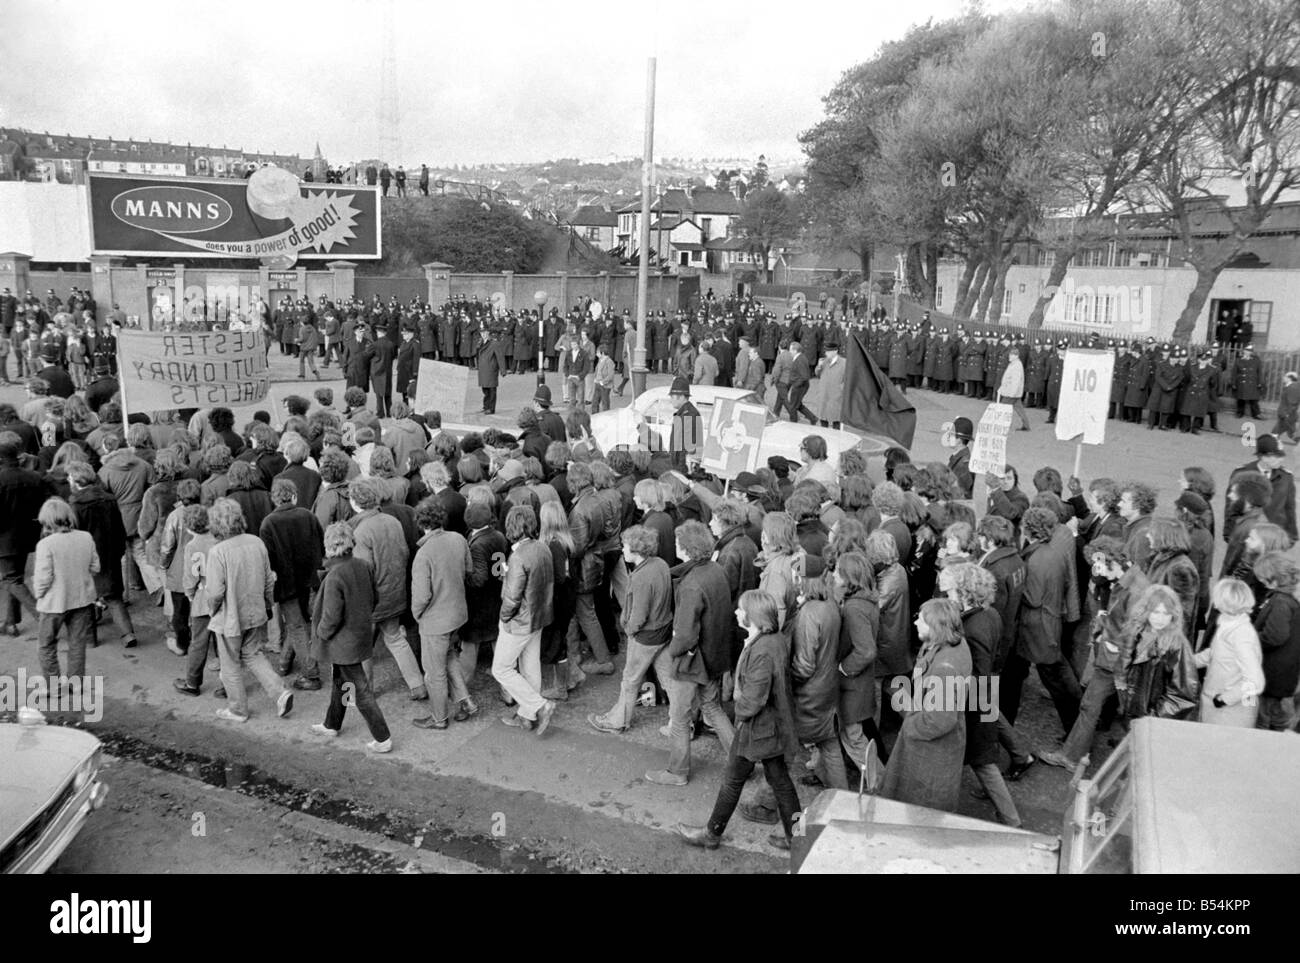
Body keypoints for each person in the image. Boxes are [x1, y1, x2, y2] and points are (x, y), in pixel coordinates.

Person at [677, 590, 801, 851]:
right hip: (773, 728)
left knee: (733, 781)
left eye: (741, 609)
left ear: (753, 616)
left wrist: (737, 713)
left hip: (758, 729)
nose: (736, 612)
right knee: (781, 782)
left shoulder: (762, 651)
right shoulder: (772, 640)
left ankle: (712, 834)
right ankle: (796, 837)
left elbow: (753, 701)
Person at [646, 520, 734, 786]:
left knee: (680, 717)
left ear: (685, 548)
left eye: (677, 542)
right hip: (716, 653)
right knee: (713, 707)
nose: (674, 545)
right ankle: (740, 764)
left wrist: (672, 651)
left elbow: (685, 636)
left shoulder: (691, 584)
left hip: (693, 661)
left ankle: (677, 772)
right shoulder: (716, 570)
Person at [204, 497, 293, 723]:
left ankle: (238, 710)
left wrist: (212, 610)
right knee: (253, 655)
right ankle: (280, 692)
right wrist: (268, 603)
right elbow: (268, 579)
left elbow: (215, 592)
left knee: (230, 664)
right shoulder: (256, 542)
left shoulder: (217, 552)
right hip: (256, 611)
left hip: (230, 617)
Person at [880, 599, 972, 814]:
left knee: (920, 811)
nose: (915, 623)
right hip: (936, 749)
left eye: (921, 620)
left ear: (935, 627)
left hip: (930, 757)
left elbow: (938, 721)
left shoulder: (945, 668)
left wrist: (909, 723)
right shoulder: (952, 644)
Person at [309, 522, 392, 753]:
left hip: (342, 642)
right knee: (341, 681)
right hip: (361, 633)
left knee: (360, 691)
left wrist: (321, 633)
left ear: (329, 546)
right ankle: (331, 724)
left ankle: (383, 738)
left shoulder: (334, 576)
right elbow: (375, 598)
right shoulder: (363, 565)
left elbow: (331, 617)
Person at [1003, 507, 1081, 739]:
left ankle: (1076, 732)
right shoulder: (1052, 552)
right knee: (1054, 676)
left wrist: (1015, 588)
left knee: (1056, 681)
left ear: (1028, 529)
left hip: (1038, 630)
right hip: (1047, 624)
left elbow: (1034, 598)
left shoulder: (1037, 558)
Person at [587, 525, 673, 733]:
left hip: (645, 637)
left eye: (625, 546)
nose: (622, 550)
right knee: (669, 679)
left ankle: (617, 722)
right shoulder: (660, 564)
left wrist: (628, 629)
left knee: (630, 680)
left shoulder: (641, 576)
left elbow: (639, 616)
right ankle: (683, 720)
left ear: (636, 549)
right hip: (663, 631)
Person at [349, 476, 424, 700]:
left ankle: (365, 692)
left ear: (355, 502)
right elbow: (404, 553)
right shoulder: (392, 521)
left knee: (362, 646)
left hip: (372, 598)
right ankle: (418, 685)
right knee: (395, 639)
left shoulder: (360, 531)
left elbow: (363, 570)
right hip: (395, 591)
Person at [410, 498, 478, 730]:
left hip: (435, 621)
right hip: (458, 613)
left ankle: (439, 718)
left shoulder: (423, 554)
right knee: (450, 658)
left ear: (421, 523)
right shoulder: (459, 539)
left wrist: (417, 615)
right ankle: (465, 700)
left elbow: (421, 596)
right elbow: (469, 569)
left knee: (434, 672)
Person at [492, 506, 557, 734]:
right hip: (539, 616)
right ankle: (527, 715)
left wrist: (503, 618)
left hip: (519, 621)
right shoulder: (543, 547)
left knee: (501, 669)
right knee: (530, 666)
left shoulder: (518, 556)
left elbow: (512, 597)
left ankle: (539, 706)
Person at [259, 479, 325, 689]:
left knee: (296, 625)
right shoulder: (308, 515)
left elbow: (267, 559)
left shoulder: (268, 523)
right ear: (294, 495)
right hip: (308, 578)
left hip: (285, 583)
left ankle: (311, 674)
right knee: (298, 622)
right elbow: (321, 544)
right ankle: (284, 662)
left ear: (274, 498)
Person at [33, 497, 99, 683]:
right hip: (81, 599)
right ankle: (75, 684)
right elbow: (95, 567)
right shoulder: (86, 537)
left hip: (53, 603)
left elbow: (43, 578)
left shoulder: (45, 544)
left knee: (46, 645)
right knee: (77, 644)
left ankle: (53, 686)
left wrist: (39, 594)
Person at [1116, 584, 1198, 722]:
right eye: (1155, 612)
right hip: (1133, 713)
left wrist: (1153, 717)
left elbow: (1184, 695)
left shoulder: (1176, 644)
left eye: (1166, 613)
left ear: (1174, 615)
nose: (1160, 619)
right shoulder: (1136, 632)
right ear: (1146, 611)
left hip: (1152, 719)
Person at [1194, 578, 1263, 728]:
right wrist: (1189, 662)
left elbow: (1255, 681)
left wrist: (1225, 699)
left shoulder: (1241, 635)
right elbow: (1215, 653)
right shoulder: (1228, 623)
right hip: (1220, 705)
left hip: (1230, 713)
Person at [1251, 553, 1300, 731]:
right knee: (1275, 712)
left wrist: (1251, 640)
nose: (1261, 582)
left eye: (1263, 579)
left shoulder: (1280, 602)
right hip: (1282, 672)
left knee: (1264, 715)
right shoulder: (1287, 599)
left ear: (1274, 580)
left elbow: (1275, 636)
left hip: (1273, 672)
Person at [997, 348, 1032, 431]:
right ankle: (1026, 425)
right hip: (1013, 392)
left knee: (1002, 408)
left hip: (1011, 393)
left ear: (1016, 356)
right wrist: (1002, 387)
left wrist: (1012, 393)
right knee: (1020, 409)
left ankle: (1000, 425)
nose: (1009, 356)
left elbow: (1016, 381)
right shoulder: (1014, 364)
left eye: (1011, 355)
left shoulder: (1016, 366)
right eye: (1010, 354)